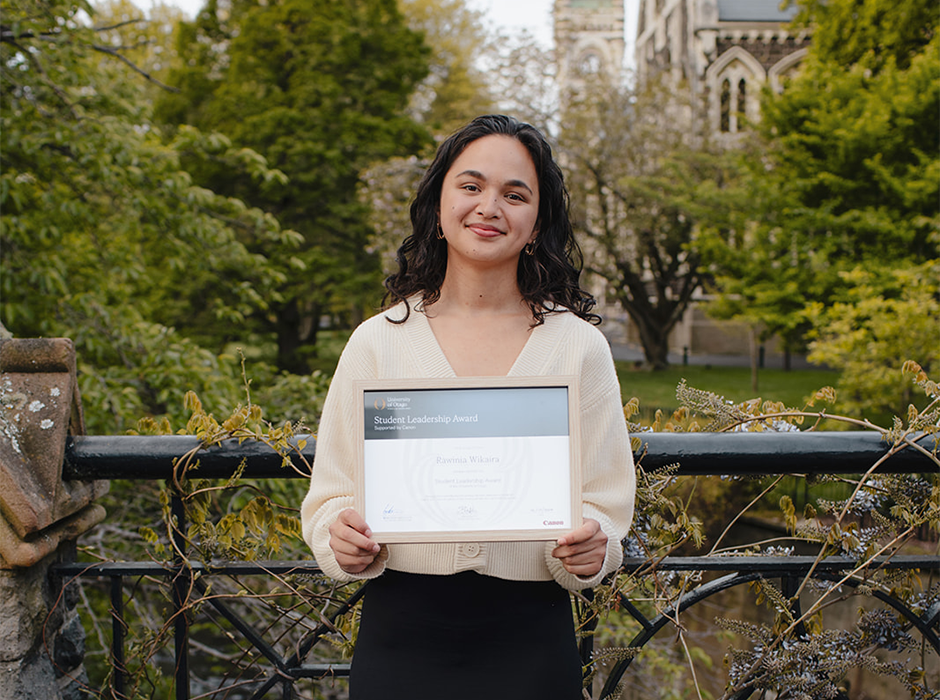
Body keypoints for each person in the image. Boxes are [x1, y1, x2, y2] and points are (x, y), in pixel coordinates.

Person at [301, 114, 636, 699]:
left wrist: (595, 544)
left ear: (536, 224)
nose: (490, 207)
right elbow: (330, 494)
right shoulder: (377, 341)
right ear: (438, 208)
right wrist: (340, 537)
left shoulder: (577, 346)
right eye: (471, 186)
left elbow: (606, 501)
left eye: (515, 194)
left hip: (532, 638)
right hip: (401, 637)